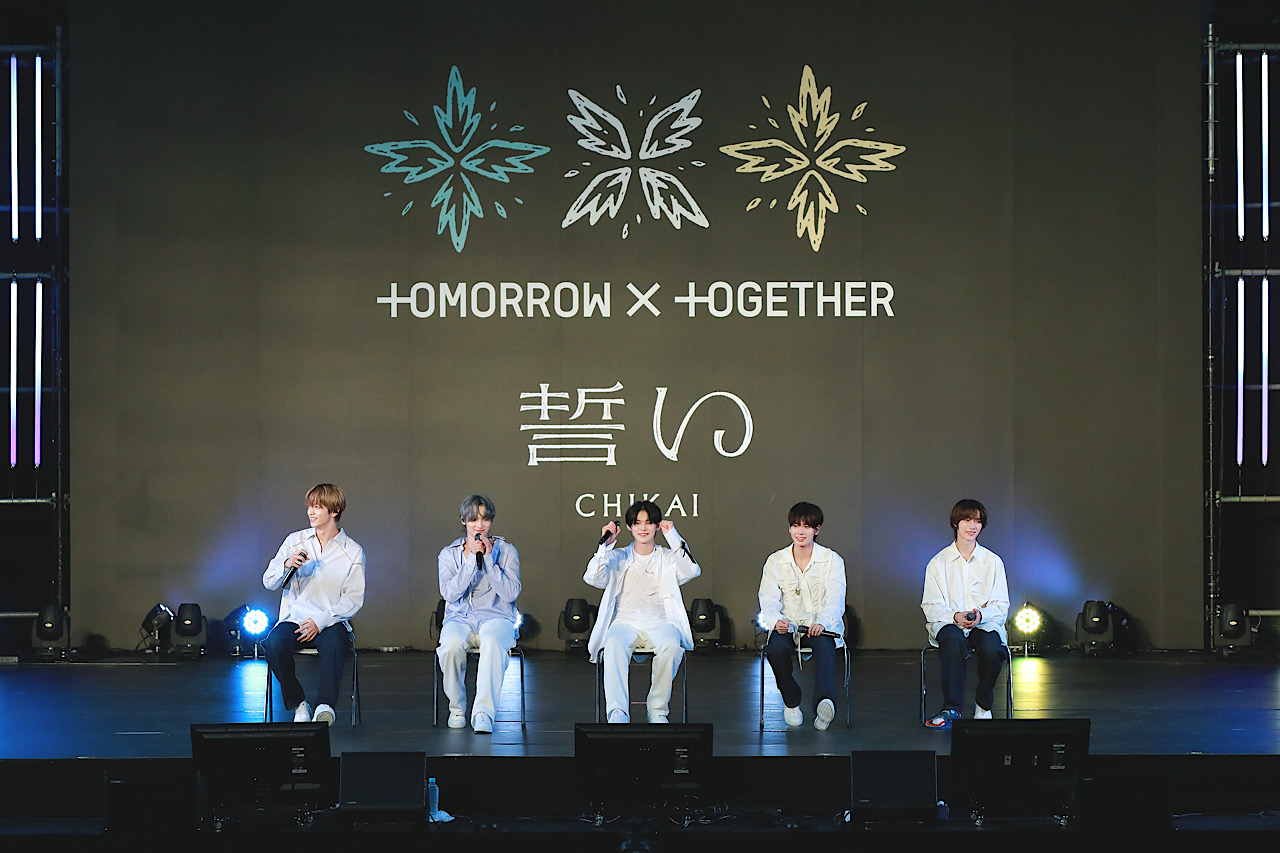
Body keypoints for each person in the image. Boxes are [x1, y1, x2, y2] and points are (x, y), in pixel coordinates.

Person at [585, 500, 700, 723]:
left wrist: (673, 536)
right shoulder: (617, 556)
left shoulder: (667, 557)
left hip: (661, 623)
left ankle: (657, 711)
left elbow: (692, 570)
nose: (643, 528)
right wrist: (605, 546)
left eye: (648, 522)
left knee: (671, 645)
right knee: (613, 644)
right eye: (637, 523)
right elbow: (592, 578)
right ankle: (617, 712)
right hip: (624, 622)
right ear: (629, 527)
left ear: (657, 525)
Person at [262, 483, 366, 726]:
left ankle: (324, 706)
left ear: (335, 511)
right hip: (295, 620)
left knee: (336, 641)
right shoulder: (295, 540)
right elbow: (268, 581)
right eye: (310, 506)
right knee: (274, 643)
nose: (311, 511)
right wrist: (286, 565)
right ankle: (299, 704)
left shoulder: (352, 551)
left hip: (331, 621)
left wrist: (320, 621)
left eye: (318, 507)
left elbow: (353, 599)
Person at [758, 501, 848, 731]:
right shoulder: (776, 560)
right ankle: (791, 700)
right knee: (775, 649)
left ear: (816, 530)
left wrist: (823, 622)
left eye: (807, 526)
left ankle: (824, 705)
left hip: (819, 625)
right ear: (790, 528)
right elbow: (768, 598)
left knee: (824, 645)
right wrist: (775, 620)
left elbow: (836, 598)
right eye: (796, 525)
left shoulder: (831, 560)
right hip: (788, 625)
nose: (800, 531)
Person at [921, 498, 1009, 729]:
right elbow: (930, 605)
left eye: (977, 521)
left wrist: (980, 616)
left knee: (992, 648)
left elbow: (1001, 605)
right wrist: (955, 616)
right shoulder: (938, 563)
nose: (972, 526)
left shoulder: (993, 562)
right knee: (952, 640)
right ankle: (951, 708)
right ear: (956, 523)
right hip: (950, 623)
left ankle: (983, 704)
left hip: (983, 623)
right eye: (967, 520)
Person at [437, 494, 522, 734]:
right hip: (459, 618)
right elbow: (449, 594)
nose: (480, 525)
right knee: (450, 645)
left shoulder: (507, 551)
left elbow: (511, 593)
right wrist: (469, 563)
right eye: (474, 519)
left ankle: (484, 712)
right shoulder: (448, 554)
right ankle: (457, 708)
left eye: (485, 519)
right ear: (463, 520)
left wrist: (489, 560)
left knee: (493, 640)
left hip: (497, 617)